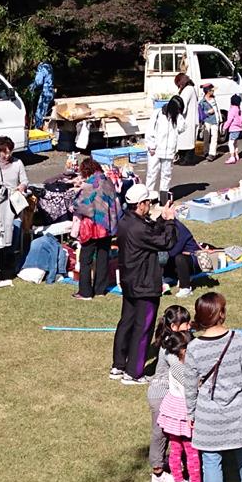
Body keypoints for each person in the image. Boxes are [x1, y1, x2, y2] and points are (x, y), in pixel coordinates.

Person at [187, 291, 242, 482]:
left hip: (208, 413)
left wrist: (191, 413)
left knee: (211, 460)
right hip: (238, 408)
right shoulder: (239, 339)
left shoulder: (194, 348)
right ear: (221, 314)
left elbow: (190, 387)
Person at [112, 186, 181, 382]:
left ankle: (118, 365)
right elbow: (166, 242)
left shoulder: (126, 221)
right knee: (143, 328)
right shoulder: (139, 227)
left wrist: (161, 219)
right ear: (140, 204)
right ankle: (133, 373)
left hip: (129, 281)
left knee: (126, 323)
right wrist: (170, 221)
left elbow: (150, 231)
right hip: (144, 284)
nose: (149, 205)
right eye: (148, 202)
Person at [144, 305, 195, 482]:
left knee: (173, 432)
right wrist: (198, 384)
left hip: (172, 395)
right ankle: (157, 473)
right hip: (161, 394)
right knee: (161, 433)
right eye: (186, 323)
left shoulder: (180, 338)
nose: (189, 326)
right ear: (174, 327)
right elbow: (180, 371)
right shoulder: (169, 345)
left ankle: (177, 462)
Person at [153, 322, 201, 482]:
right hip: (185, 413)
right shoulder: (185, 371)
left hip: (172, 411)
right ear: (184, 351)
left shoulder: (173, 366)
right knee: (192, 451)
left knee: (175, 450)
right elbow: (193, 389)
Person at [71, 158, 122, 300]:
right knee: (103, 257)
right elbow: (115, 202)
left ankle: (85, 292)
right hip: (107, 225)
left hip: (92, 227)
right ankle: (100, 289)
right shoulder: (108, 182)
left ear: (86, 171)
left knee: (85, 259)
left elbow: (79, 205)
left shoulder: (89, 186)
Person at [144, 94, 182, 196]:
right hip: (155, 150)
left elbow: (182, 128)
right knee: (152, 173)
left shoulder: (177, 117)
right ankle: (148, 197)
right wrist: (151, 145)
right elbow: (149, 130)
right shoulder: (157, 114)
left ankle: (163, 198)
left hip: (169, 151)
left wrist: (180, 117)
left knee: (166, 175)